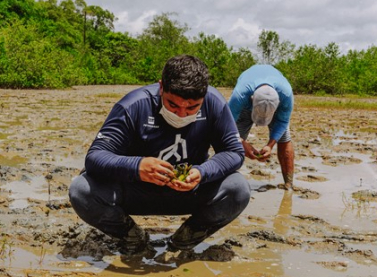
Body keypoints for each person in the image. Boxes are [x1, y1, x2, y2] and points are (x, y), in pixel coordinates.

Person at [69, 54, 251, 254]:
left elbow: (234, 152)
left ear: (204, 96)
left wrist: (202, 172)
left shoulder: (214, 104)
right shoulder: (133, 105)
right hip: (136, 191)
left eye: (192, 107)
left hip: (188, 191)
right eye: (173, 105)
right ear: (161, 87)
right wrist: (137, 167)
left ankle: (185, 239)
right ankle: (132, 236)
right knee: (81, 189)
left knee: (238, 188)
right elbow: (95, 156)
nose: (181, 114)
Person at [228, 64, 294, 190]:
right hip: (246, 108)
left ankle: (289, 184)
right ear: (251, 100)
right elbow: (227, 125)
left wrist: (270, 145)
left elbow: (283, 122)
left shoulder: (286, 94)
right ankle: (226, 180)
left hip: (274, 102)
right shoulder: (240, 95)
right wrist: (241, 142)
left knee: (284, 137)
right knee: (231, 143)